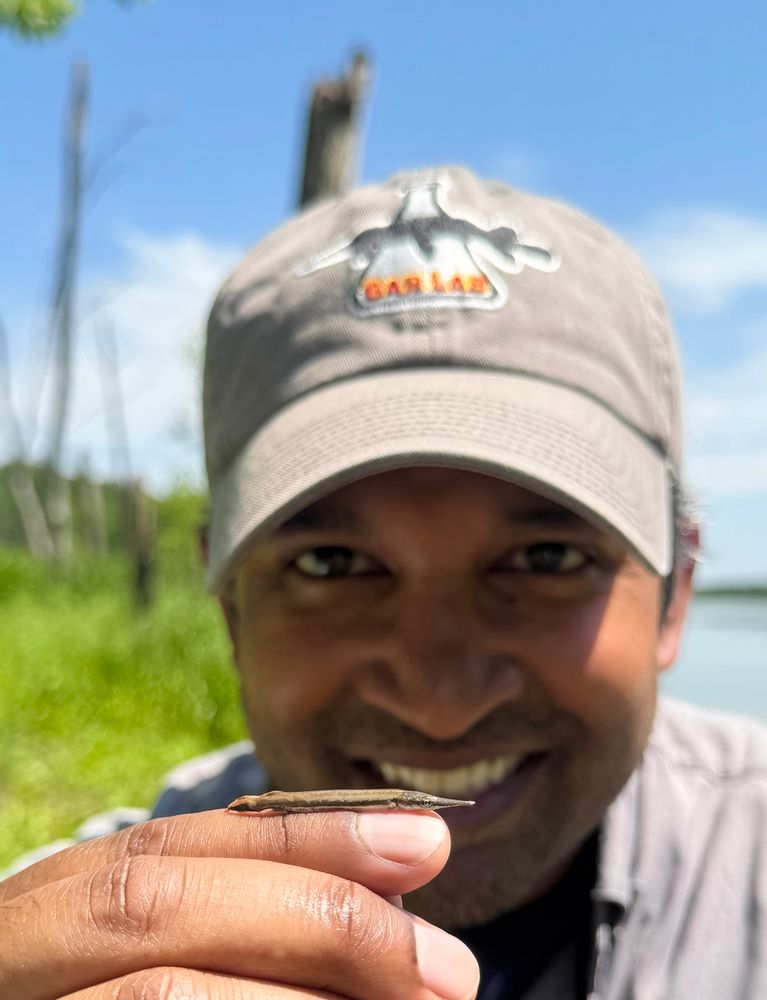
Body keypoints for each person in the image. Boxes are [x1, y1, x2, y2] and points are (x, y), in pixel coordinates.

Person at [2, 165, 766, 1000]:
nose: (440, 702)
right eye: (329, 564)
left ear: (675, 594)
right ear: (229, 611)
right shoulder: (130, 870)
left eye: (546, 558)